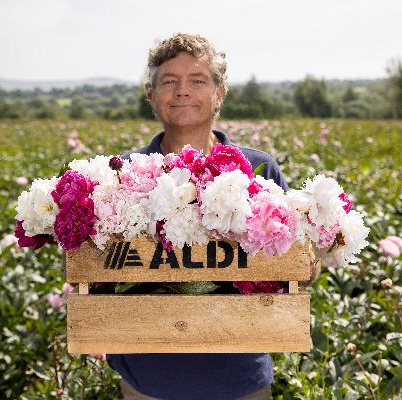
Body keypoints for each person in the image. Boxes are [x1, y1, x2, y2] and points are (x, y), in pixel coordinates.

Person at [99, 33, 320, 400]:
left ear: (220, 93)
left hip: (240, 376)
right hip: (147, 377)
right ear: (151, 96)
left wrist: (307, 263)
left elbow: (293, 263)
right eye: (169, 81)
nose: (182, 91)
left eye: (198, 81)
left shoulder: (258, 168)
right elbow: (97, 267)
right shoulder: (124, 172)